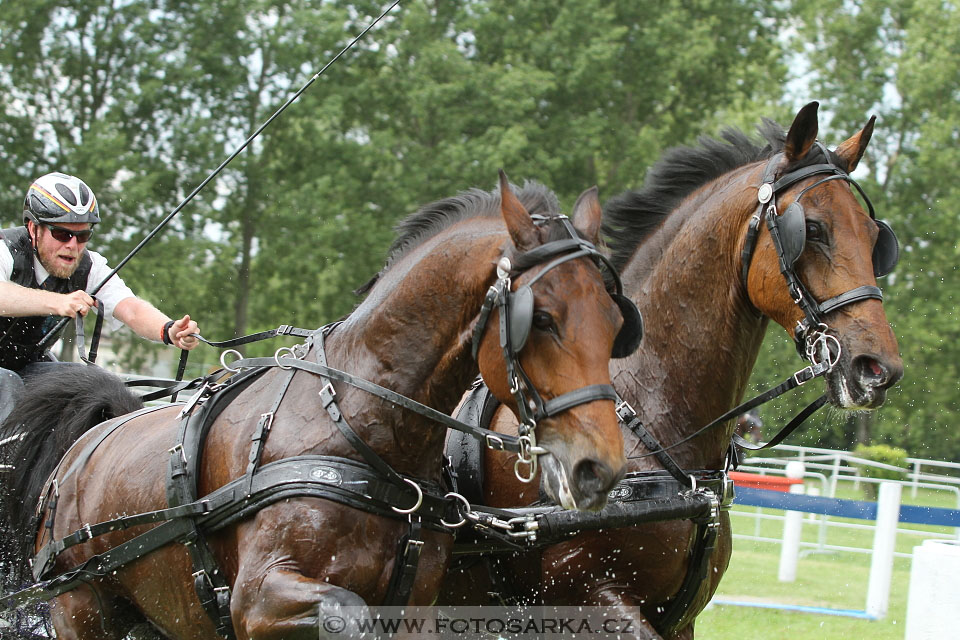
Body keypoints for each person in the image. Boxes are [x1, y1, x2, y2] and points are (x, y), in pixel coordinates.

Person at [0, 172, 200, 422]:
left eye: (83, 235)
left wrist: (168, 329)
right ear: (33, 228)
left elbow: (130, 308)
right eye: (62, 234)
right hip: (7, 379)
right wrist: (58, 302)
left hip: (23, 368)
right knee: (6, 383)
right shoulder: (5, 250)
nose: (73, 245)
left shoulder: (89, 266)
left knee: (91, 385)